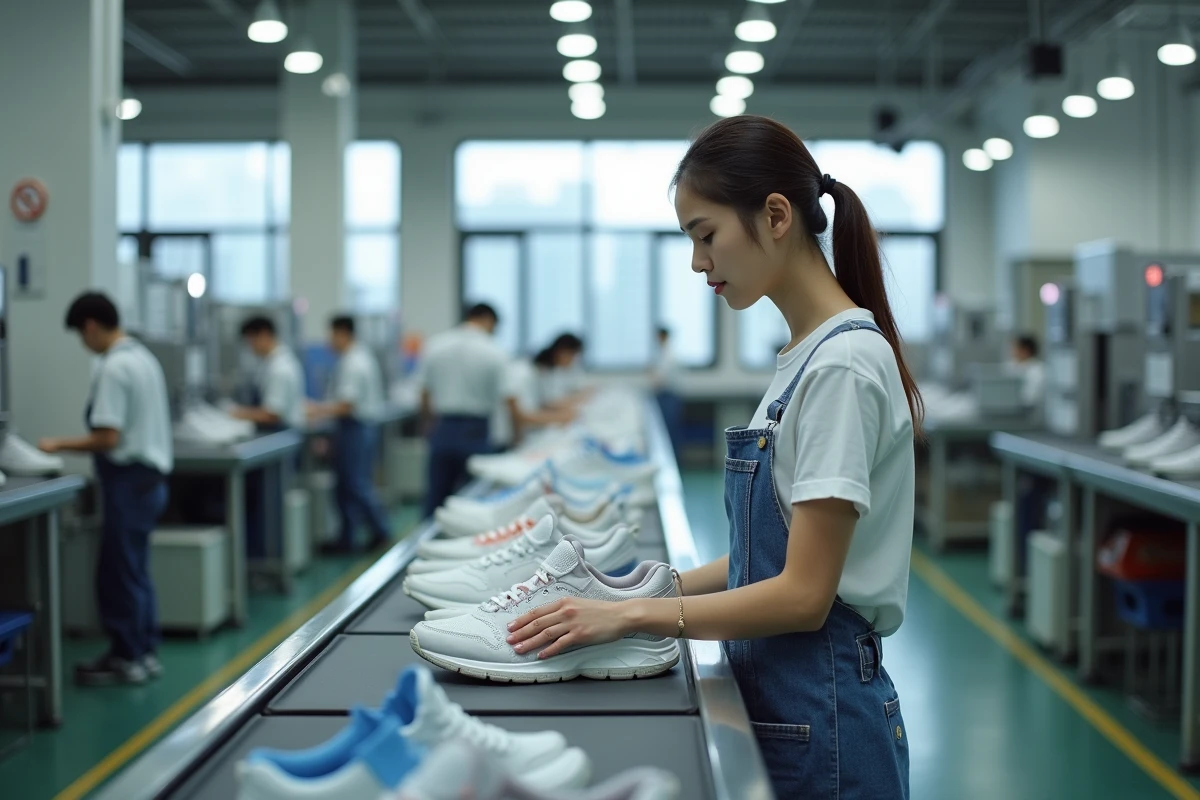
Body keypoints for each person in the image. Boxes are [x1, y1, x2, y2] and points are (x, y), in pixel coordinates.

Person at [506, 116, 920, 799]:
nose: (699, 263)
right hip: (794, 706)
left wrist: (631, 617)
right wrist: (645, 587)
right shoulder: (807, 358)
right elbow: (774, 554)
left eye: (705, 235)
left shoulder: (841, 365)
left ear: (776, 216)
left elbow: (804, 595)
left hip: (827, 720)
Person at [39, 292, 173, 686]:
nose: (84, 344)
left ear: (91, 326)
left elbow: (107, 437)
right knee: (136, 571)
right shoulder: (144, 358)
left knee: (119, 573)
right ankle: (145, 651)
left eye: (81, 335)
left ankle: (127, 657)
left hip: (128, 482)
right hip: (150, 482)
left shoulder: (114, 367)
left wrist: (56, 445)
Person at [418, 304, 510, 517]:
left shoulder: (436, 345)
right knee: (475, 498)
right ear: (488, 320)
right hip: (476, 429)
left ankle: (427, 536)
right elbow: (506, 399)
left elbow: (424, 393)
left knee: (436, 495)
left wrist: (427, 423)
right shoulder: (494, 351)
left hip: (443, 425)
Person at [309, 315, 391, 553]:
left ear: (343, 333)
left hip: (355, 428)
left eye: (331, 335)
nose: (329, 341)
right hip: (355, 428)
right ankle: (347, 538)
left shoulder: (353, 363)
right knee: (346, 486)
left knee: (355, 484)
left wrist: (316, 410)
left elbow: (347, 405)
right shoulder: (358, 358)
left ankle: (381, 531)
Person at [228, 315, 305, 558]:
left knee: (270, 504)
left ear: (264, 335)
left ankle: (268, 556)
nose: (251, 348)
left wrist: (237, 414)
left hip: (279, 437)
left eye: (251, 341)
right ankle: (264, 554)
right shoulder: (273, 363)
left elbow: (272, 413)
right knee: (266, 502)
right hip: (278, 436)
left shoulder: (279, 368)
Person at [652, 327, 683, 457]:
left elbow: (661, 379)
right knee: (668, 430)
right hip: (665, 395)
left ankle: (673, 457)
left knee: (669, 430)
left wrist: (653, 377)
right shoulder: (663, 353)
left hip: (669, 396)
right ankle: (672, 456)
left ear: (662, 336)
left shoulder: (669, 354)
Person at [1009, 334, 1046, 409]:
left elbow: (1031, 397)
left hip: (1028, 410)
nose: (1012, 351)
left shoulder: (1038, 370)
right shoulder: (1012, 366)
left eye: (1015, 348)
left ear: (1026, 350)